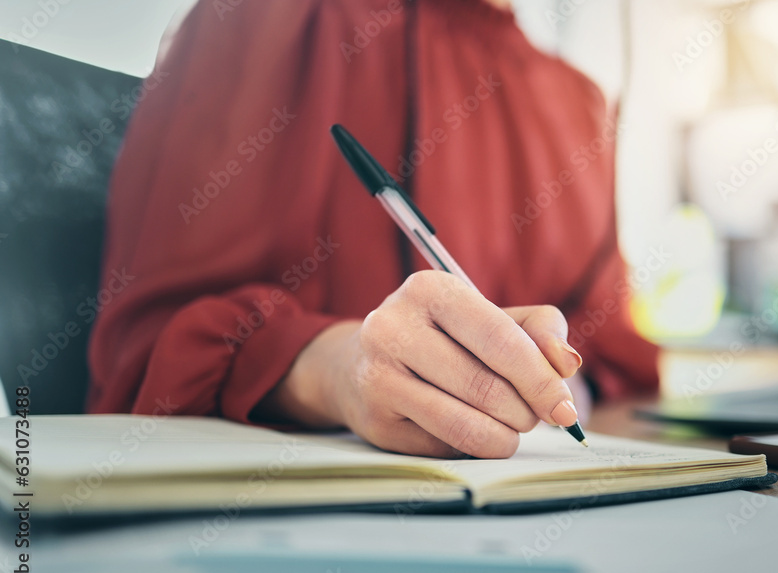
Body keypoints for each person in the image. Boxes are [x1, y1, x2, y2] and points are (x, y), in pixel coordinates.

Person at [87, 0, 659, 459]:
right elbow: (146, 349)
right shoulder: (259, 26)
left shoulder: (576, 102)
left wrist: (545, 370)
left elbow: (616, 352)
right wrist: (340, 370)